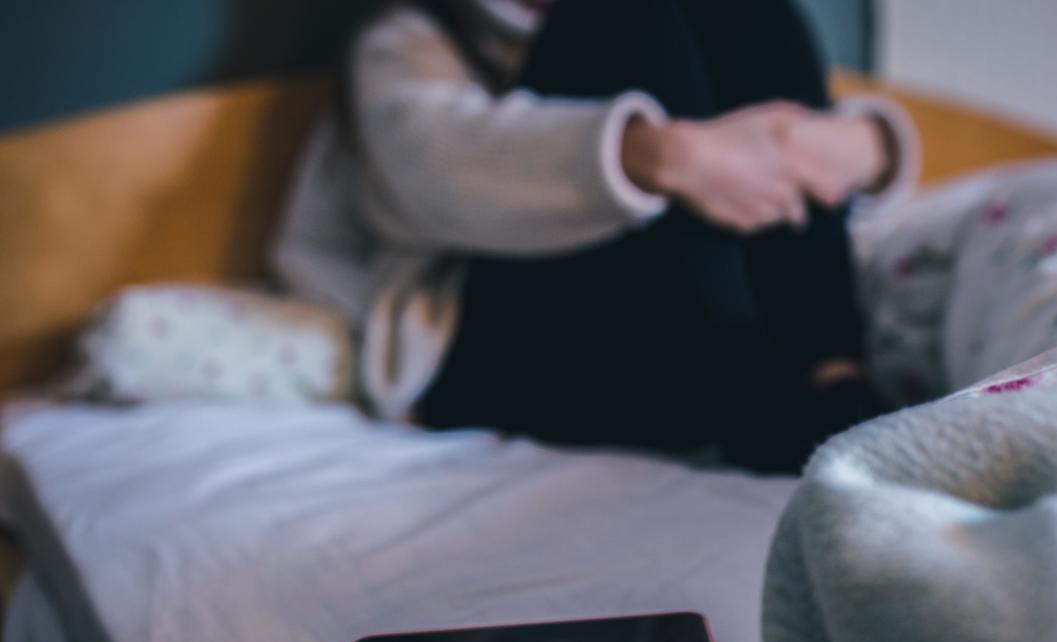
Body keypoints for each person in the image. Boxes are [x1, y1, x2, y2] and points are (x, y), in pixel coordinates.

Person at [272, 0, 919, 472]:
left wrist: (864, 144)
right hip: (490, 353)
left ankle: (833, 376)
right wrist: (665, 156)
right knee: (620, 16)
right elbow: (435, 166)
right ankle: (755, 393)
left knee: (753, 13)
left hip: (665, 344)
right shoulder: (410, 36)